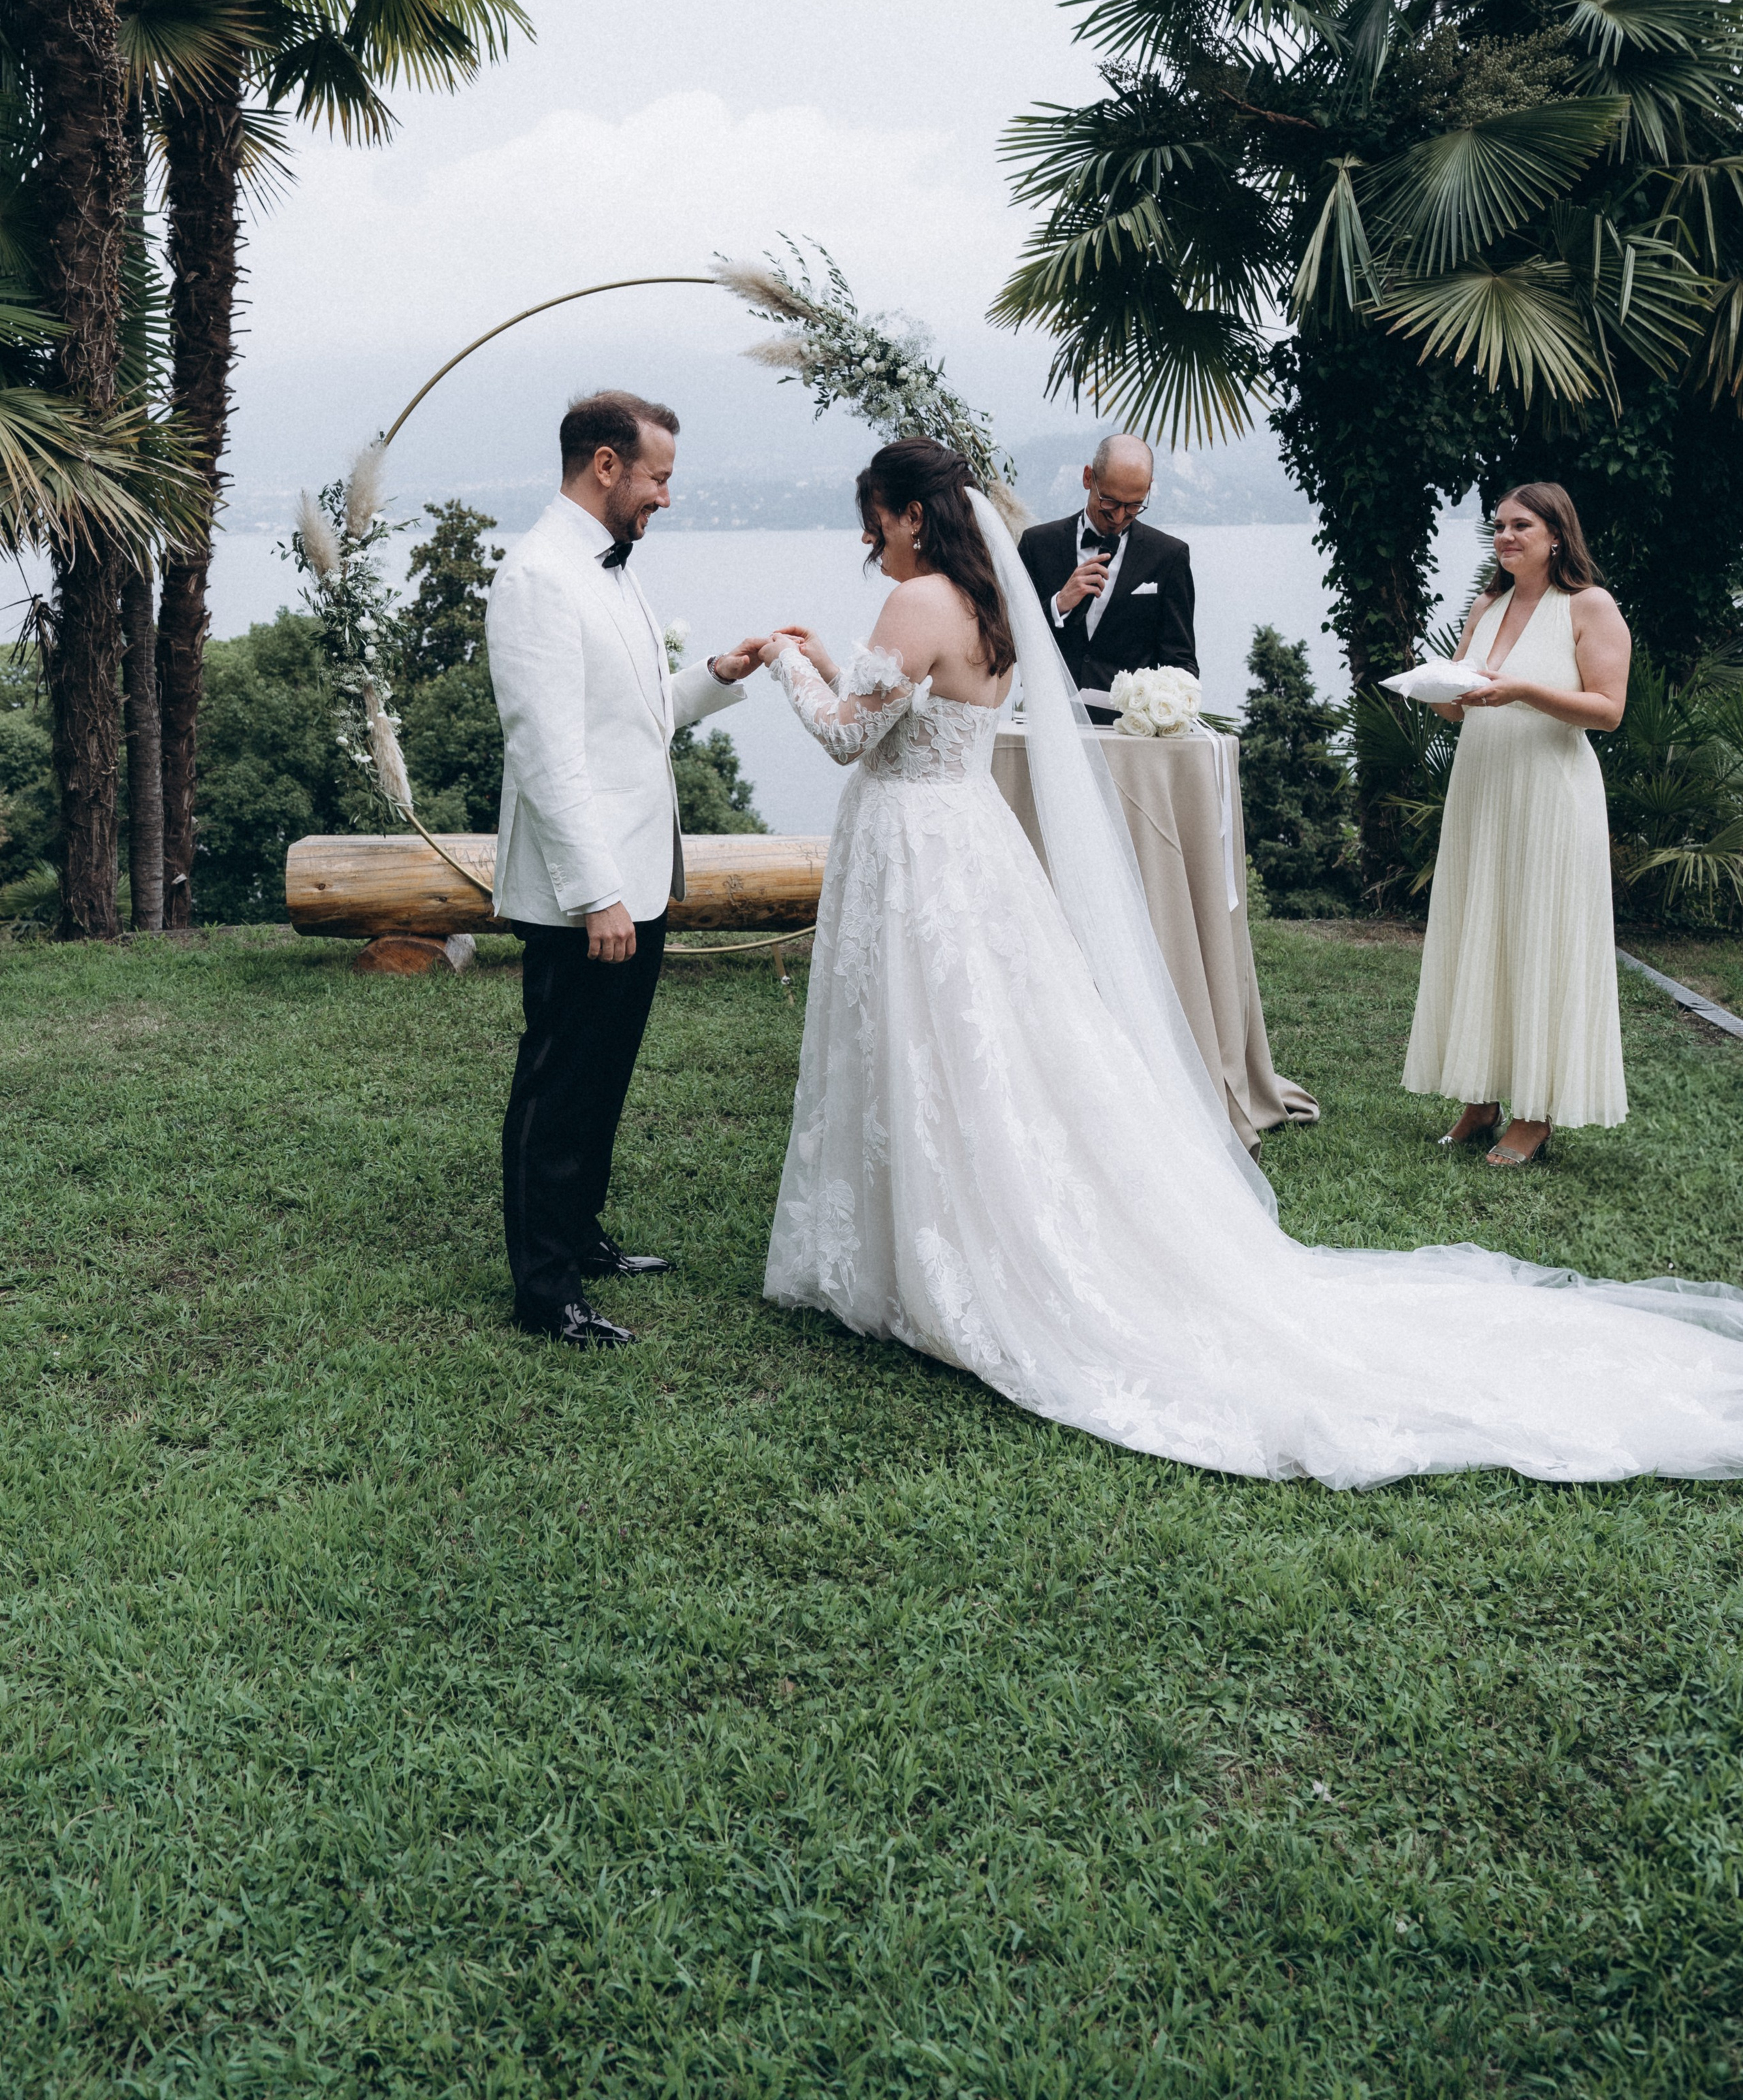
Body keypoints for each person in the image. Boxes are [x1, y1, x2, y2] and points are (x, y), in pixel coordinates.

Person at [755, 437, 1743, 1488]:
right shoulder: (998, 598)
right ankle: (939, 1229)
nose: (870, 535)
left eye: (875, 514)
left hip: (919, 850)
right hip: (968, 849)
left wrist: (779, 661)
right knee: (978, 1039)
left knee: (932, 1035)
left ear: (909, 512)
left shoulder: (917, 603)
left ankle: (936, 1246)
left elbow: (846, 740)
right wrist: (824, 661)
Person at [487, 390, 767, 1348]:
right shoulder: (538, 577)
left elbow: (636, 718)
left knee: (603, 1077)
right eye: (658, 478)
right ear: (605, 466)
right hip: (590, 891)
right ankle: (546, 1289)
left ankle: (582, 1235)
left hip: (636, 878)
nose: (666, 498)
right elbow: (547, 752)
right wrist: (596, 893)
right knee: (560, 1082)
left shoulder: (609, 570)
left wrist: (718, 677)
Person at [1405, 484, 1631, 1167]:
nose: (1504, 536)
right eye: (1498, 526)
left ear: (1556, 534)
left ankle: (1534, 1114)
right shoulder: (1487, 605)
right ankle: (1480, 1099)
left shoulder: (1588, 607)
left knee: (1538, 937)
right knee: (1483, 931)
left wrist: (1523, 690)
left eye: (1519, 525)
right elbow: (1465, 706)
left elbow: (1607, 710)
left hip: (1549, 796)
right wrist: (1436, 690)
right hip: (1482, 788)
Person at [1015, 432, 1195, 720]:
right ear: (1089, 478)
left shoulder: (1169, 557)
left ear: (1149, 489)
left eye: (1134, 505)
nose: (1120, 517)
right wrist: (1059, 604)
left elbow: (1181, 662)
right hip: (1050, 722)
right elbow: (1006, 638)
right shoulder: (1036, 544)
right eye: (1110, 502)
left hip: (1129, 730)